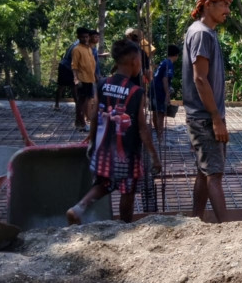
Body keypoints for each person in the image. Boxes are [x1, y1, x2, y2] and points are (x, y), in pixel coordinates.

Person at [66, 39, 161, 225]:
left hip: (103, 150)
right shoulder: (136, 92)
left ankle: (78, 209)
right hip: (127, 154)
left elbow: (94, 116)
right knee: (128, 190)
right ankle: (124, 226)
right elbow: (142, 128)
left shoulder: (102, 84)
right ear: (134, 61)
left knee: (104, 184)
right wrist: (154, 156)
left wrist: (91, 141)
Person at [183, 0, 231, 223]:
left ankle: (196, 220)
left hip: (206, 116)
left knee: (204, 172)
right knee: (214, 174)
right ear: (208, 4)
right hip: (204, 117)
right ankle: (228, 228)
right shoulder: (201, 33)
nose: (228, 10)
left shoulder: (205, 32)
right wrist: (215, 118)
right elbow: (200, 79)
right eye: (224, 4)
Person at [150, 44, 180, 142]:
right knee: (161, 113)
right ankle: (160, 137)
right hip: (159, 90)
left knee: (155, 111)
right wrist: (167, 94)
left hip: (153, 88)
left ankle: (158, 134)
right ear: (176, 55)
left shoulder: (164, 61)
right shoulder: (169, 64)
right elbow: (165, 79)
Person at [54, 27, 85, 111]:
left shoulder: (79, 43)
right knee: (62, 86)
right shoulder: (77, 46)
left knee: (74, 87)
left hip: (70, 67)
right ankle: (57, 104)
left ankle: (77, 106)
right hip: (65, 67)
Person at [71, 27, 95, 132]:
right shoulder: (77, 49)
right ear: (78, 37)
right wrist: (76, 79)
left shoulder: (89, 49)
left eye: (86, 37)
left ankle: (78, 122)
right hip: (82, 79)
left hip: (89, 79)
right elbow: (74, 66)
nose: (85, 39)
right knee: (81, 102)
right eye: (82, 37)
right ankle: (82, 124)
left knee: (85, 101)